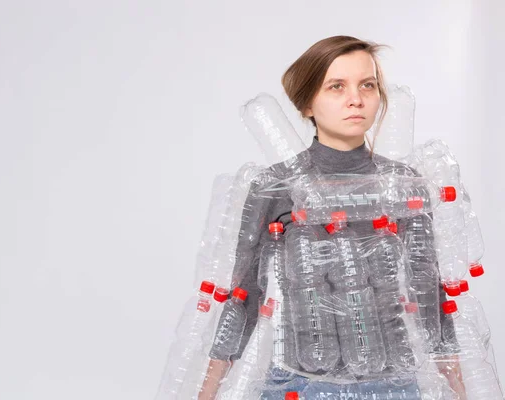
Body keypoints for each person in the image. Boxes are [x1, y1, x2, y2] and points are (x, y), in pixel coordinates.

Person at [198, 36, 466, 400]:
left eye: (367, 85)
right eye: (336, 86)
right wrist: (208, 389)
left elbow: (430, 290)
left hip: (393, 384)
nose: (355, 99)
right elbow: (244, 295)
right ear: (308, 102)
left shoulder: (403, 185)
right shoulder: (276, 186)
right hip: (299, 383)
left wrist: (459, 387)